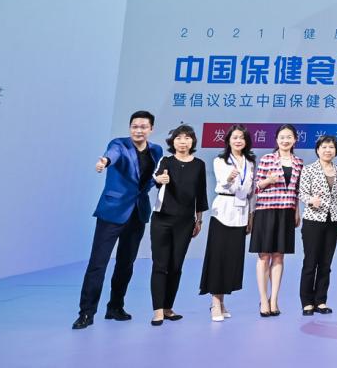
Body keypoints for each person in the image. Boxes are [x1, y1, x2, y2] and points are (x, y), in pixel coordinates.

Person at [73, 110, 163, 330]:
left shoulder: (156, 150)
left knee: (126, 263)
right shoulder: (119, 145)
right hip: (113, 212)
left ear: (151, 129)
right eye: (134, 126)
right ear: (130, 127)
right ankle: (86, 313)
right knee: (98, 263)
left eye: (143, 127)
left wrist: (157, 181)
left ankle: (115, 307)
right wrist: (104, 162)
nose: (138, 130)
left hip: (138, 213)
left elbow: (149, 180)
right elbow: (112, 155)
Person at [149, 124, 208, 325]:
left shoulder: (199, 165)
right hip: (162, 219)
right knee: (160, 265)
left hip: (185, 222)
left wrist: (199, 220)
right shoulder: (166, 161)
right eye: (179, 138)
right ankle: (158, 310)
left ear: (193, 142)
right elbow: (156, 178)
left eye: (187, 138)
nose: (183, 142)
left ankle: (168, 308)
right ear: (172, 141)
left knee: (176, 265)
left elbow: (201, 195)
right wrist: (160, 179)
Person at [199, 123, 255, 322]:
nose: (238, 140)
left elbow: (251, 191)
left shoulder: (250, 162)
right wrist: (229, 178)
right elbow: (222, 183)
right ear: (228, 140)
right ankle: (215, 302)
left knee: (232, 259)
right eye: (235, 137)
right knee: (218, 258)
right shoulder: (220, 160)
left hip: (241, 212)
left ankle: (222, 302)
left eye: (242, 137)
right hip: (223, 211)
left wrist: (251, 216)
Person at [250, 124, 303, 317]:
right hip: (266, 210)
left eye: (289, 137)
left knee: (279, 256)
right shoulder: (267, 159)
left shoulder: (298, 163)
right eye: (282, 137)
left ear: (295, 140)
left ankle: (274, 300)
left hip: (286, 211)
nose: (285, 140)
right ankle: (263, 300)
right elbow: (255, 187)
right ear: (276, 139)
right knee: (264, 256)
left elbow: (297, 191)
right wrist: (268, 181)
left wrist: (296, 211)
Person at [298, 135, 337, 315]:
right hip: (313, 220)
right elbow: (301, 193)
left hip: (332, 222)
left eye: (331, 147)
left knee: (326, 263)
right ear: (318, 150)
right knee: (310, 262)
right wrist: (311, 200)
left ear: (336, 151)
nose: (328, 150)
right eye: (324, 147)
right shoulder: (309, 169)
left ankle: (321, 301)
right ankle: (307, 302)